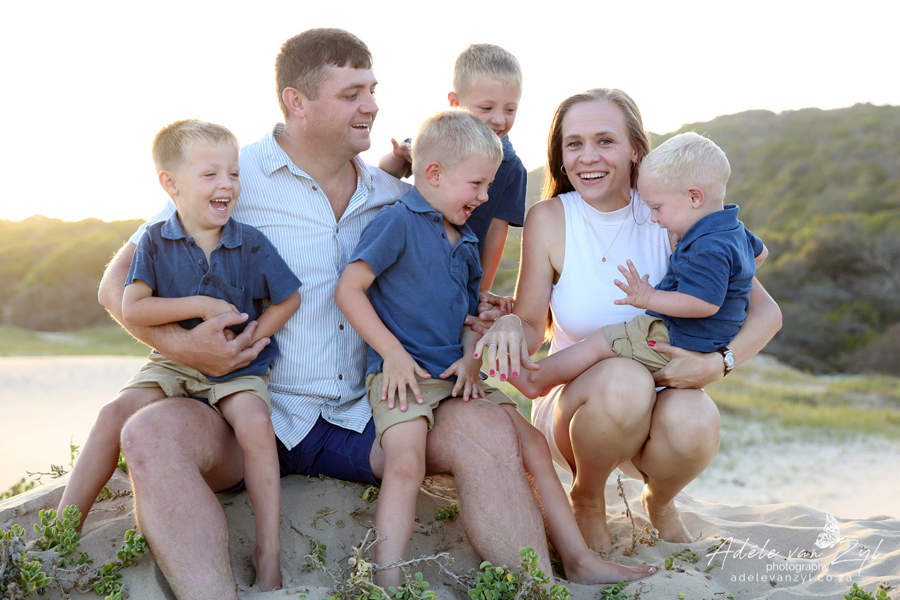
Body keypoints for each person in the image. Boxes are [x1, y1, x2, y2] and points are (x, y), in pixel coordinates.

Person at [96, 31, 641, 600]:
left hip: (373, 417)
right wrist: (184, 348)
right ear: (296, 101)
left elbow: (441, 289)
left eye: (373, 90)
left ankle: (538, 588)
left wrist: (486, 315)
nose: (372, 105)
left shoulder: (395, 197)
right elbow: (117, 287)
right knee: (150, 434)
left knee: (487, 427)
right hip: (247, 414)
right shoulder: (231, 178)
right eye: (352, 93)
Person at [336, 109, 654, 589]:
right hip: (403, 376)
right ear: (433, 173)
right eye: (477, 185)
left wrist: (471, 356)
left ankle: (578, 560)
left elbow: (468, 319)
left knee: (533, 446)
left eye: (489, 186)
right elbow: (348, 290)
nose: (485, 197)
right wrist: (393, 354)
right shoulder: (397, 222)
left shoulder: (466, 242)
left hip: (457, 376)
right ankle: (386, 581)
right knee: (405, 463)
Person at [474, 88, 782, 554]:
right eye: (574, 144)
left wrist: (719, 363)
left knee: (696, 416)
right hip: (576, 410)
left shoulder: (670, 211)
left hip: (658, 403)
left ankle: (660, 500)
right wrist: (511, 325)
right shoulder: (550, 218)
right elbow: (532, 325)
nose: (587, 157)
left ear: (637, 148)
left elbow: (766, 311)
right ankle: (587, 497)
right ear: (561, 155)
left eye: (605, 141)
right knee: (624, 377)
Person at [60, 119, 300, 590]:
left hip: (238, 365)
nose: (227, 184)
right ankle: (63, 531)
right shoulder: (154, 240)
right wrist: (200, 305)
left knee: (256, 425)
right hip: (172, 362)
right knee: (113, 413)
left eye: (233, 173)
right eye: (210, 174)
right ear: (170, 184)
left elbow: (288, 298)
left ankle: (267, 551)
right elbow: (134, 306)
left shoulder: (250, 241)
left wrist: (253, 338)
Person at [509, 132, 768, 398]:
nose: (653, 218)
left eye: (657, 208)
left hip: (678, 337)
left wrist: (649, 297)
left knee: (602, 342)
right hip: (701, 341)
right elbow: (760, 255)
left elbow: (704, 304)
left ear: (694, 198)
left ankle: (535, 379)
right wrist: (730, 280)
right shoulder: (733, 229)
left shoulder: (707, 246)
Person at [378, 43, 526, 305]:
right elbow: (385, 175)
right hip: (412, 263)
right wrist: (398, 156)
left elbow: (496, 231)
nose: (499, 120)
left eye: (510, 109)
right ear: (455, 103)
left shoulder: (511, 166)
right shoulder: (435, 141)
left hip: (462, 276)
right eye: (487, 108)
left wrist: (481, 289)